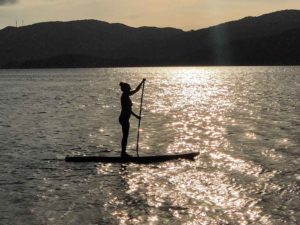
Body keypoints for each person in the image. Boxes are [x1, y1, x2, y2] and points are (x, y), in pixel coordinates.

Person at [119, 79, 146, 158]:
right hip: (123, 119)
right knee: (125, 136)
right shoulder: (124, 97)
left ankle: (123, 153)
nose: (129, 90)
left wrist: (141, 82)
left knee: (125, 136)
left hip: (125, 119)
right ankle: (123, 153)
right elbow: (128, 110)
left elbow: (137, 90)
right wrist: (136, 116)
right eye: (128, 89)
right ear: (125, 89)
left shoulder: (126, 95)